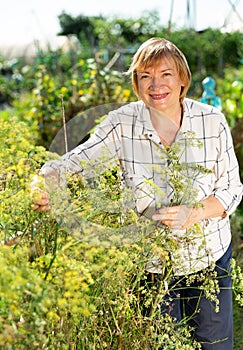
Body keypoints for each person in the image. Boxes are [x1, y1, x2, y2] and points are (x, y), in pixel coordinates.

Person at [32, 37, 243, 349]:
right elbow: (78, 159)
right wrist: (46, 178)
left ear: (182, 79)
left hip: (208, 256)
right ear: (136, 83)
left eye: (165, 74)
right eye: (146, 76)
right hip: (153, 262)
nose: (156, 85)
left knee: (214, 343)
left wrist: (194, 213)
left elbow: (232, 189)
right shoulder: (122, 123)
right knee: (162, 341)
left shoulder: (211, 122)